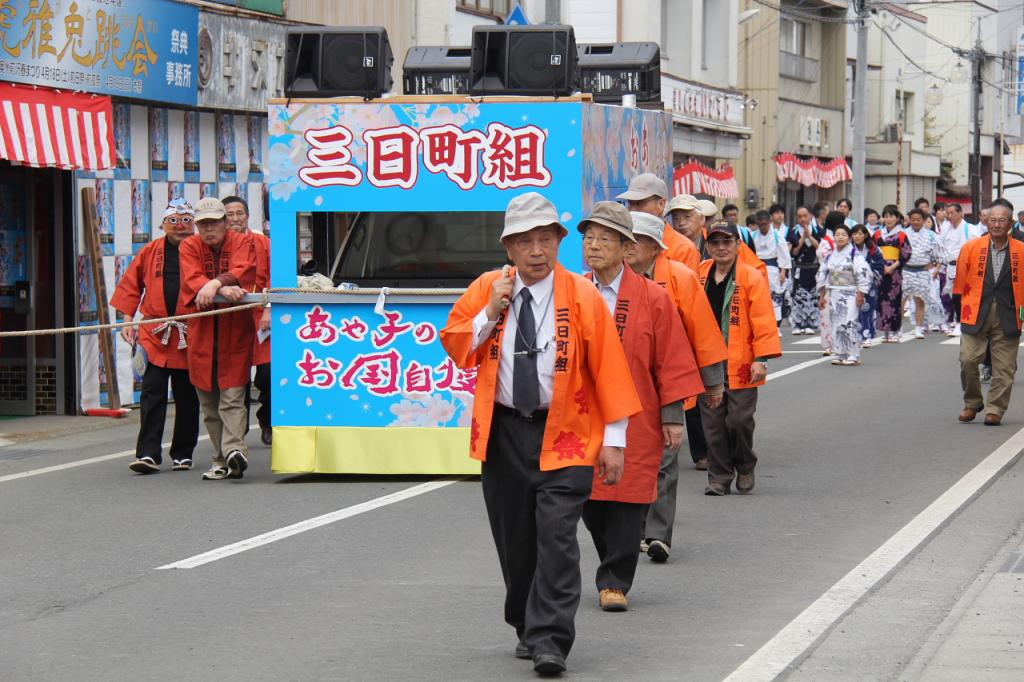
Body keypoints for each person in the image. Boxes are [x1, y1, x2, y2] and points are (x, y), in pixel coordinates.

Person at [439, 192, 641, 676]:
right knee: (516, 540)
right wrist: (490, 311)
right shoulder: (488, 287)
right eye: (525, 241)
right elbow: (457, 347)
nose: (536, 250)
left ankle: (551, 638)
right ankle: (525, 624)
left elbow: (610, 369)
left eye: (545, 239)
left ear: (558, 242)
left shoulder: (583, 295)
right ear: (508, 247)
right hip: (505, 431)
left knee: (556, 537)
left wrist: (615, 440)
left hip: (567, 431)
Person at [578, 202, 703, 611]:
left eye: (604, 239)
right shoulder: (575, 293)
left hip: (639, 413)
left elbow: (671, 357)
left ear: (626, 247)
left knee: (631, 496)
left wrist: (673, 415)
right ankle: (610, 559)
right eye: (589, 238)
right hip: (583, 414)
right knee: (589, 498)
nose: (594, 246)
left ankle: (615, 580)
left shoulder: (653, 298)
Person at [626, 211, 727, 563]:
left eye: (635, 241)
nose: (627, 248)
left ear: (655, 247)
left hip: (666, 381)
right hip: (622, 383)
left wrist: (713, 383)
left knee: (664, 459)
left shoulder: (680, 278)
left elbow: (703, 330)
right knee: (628, 459)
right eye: (625, 240)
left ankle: (657, 534)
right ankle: (631, 529)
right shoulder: (608, 280)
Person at [111, 199, 200, 474]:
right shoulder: (151, 251)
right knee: (152, 391)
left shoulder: (201, 250)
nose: (180, 227)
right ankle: (148, 453)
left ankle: (183, 452)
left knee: (187, 395)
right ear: (163, 225)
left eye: (186, 221)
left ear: (193, 224)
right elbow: (131, 285)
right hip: (155, 332)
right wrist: (127, 321)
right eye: (174, 221)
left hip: (191, 331)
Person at [697, 222, 781, 495]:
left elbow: (764, 319)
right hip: (708, 362)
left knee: (739, 421)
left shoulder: (750, 277)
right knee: (713, 425)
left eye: (727, 242)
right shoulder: (699, 275)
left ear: (737, 244)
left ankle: (745, 464)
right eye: (715, 242)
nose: (721, 248)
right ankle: (719, 478)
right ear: (708, 246)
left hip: (741, 361)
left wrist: (762, 358)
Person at [180, 197, 257, 480]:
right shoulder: (189, 246)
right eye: (203, 224)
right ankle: (220, 458)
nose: (209, 229)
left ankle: (235, 450)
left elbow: (244, 269)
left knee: (233, 396)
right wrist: (225, 286)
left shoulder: (242, 242)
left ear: (226, 222)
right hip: (202, 333)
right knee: (209, 403)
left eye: (214, 222)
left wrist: (216, 283)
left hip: (234, 331)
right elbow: (192, 278)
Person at [953, 199, 1024, 427]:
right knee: (968, 360)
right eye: (993, 220)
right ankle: (972, 402)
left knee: (1004, 368)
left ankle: (996, 408)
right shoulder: (971, 248)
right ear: (986, 221)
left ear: (1011, 223)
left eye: (1002, 220)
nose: (996, 224)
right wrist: (959, 313)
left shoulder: (1021, 251)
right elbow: (960, 284)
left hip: (1009, 314)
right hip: (975, 313)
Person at [223, 195, 273, 446]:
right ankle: (236, 434)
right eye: (229, 214)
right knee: (235, 374)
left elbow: (277, 275)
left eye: (238, 213)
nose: (234, 218)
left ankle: (267, 420)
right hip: (230, 315)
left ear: (247, 215)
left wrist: (269, 308)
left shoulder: (263, 242)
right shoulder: (218, 245)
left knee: (268, 372)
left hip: (260, 312)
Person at [617, 173, 700, 271]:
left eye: (639, 203)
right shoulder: (620, 240)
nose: (633, 210)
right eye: (630, 204)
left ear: (661, 204)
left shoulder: (683, 248)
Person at [817, 225, 871, 366]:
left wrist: (861, 293)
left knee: (849, 322)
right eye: (837, 234)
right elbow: (822, 274)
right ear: (834, 237)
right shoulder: (829, 256)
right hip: (834, 292)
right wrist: (822, 295)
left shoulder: (854, 254)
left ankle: (854, 354)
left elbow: (862, 273)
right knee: (836, 323)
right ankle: (841, 353)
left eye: (844, 234)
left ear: (849, 237)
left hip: (851, 292)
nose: (840, 237)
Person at [902, 208, 946, 339]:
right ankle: (897, 328)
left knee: (920, 301)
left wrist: (935, 267)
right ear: (909, 220)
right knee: (901, 300)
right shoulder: (902, 234)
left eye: (918, 220)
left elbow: (941, 254)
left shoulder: (931, 235)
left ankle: (918, 328)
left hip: (923, 270)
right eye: (913, 219)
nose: (915, 222)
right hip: (906, 269)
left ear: (924, 220)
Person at [938, 203, 978, 336]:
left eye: (952, 213)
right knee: (953, 296)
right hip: (950, 266)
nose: (949, 216)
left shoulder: (970, 229)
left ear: (961, 213)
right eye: (947, 213)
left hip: (965, 267)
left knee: (960, 295)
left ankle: (962, 322)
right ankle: (958, 320)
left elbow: (977, 248)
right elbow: (939, 245)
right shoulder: (945, 229)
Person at [874, 205, 912, 342]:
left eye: (891, 216)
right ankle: (885, 332)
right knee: (882, 300)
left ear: (897, 218)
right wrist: (880, 265)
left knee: (895, 300)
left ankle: (896, 330)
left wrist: (893, 266)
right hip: (881, 269)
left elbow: (906, 253)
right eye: (886, 216)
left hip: (895, 271)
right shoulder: (878, 234)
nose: (888, 219)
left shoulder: (901, 235)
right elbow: (873, 251)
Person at [752, 209, 792, 330]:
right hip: (757, 269)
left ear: (769, 222)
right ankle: (761, 324)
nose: (762, 227)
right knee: (758, 297)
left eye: (764, 224)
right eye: (760, 224)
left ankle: (776, 325)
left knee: (775, 297)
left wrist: (783, 272)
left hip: (773, 269)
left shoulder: (776, 235)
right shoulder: (753, 235)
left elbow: (784, 254)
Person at [787, 206, 825, 335]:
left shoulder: (818, 230)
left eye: (805, 216)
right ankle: (798, 324)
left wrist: (810, 236)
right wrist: (803, 237)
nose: (803, 219)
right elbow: (794, 251)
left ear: (810, 216)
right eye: (800, 216)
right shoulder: (793, 231)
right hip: (800, 267)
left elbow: (821, 248)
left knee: (813, 296)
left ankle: (811, 324)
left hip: (814, 267)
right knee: (798, 296)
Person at [851, 224, 885, 346]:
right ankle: (856, 335)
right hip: (852, 284)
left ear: (865, 235)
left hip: (869, 284)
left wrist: (868, 272)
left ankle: (867, 336)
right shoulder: (849, 250)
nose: (857, 236)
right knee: (854, 310)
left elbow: (880, 266)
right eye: (854, 234)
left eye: (860, 234)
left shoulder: (874, 249)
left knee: (867, 309)